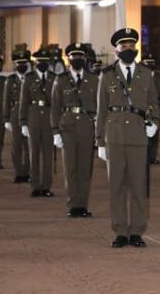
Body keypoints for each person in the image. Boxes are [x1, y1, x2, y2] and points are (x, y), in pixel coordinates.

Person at [96, 28, 160, 248]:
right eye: (124, 47)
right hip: (114, 136)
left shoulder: (146, 74)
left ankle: (137, 231)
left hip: (138, 135)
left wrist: (155, 122)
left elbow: (153, 101)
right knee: (116, 186)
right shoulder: (107, 76)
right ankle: (120, 231)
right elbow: (101, 110)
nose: (128, 50)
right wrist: (100, 142)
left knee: (138, 186)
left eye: (132, 46)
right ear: (117, 50)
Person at [50, 43, 99, 218]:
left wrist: (99, 131)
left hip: (87, 125)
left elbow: (99, 106)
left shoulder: (93, 79)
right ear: (68, 59)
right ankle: (73, 204)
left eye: (80, 56)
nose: (77, 59)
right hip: (67, 126)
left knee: (85, 168)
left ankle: (83, 204)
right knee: (70, 167)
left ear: (84, 58)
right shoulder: (61, 79)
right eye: (73, 56)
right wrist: (55, 131)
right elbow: (55, 107)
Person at [20, 49, 56, 197]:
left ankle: (46, 186)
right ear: (35, 63)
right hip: (33, 117)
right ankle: (35, 186)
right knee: (33, 153)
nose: (42, 64)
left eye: (45, 62)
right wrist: (22, 122)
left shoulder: (54, 78)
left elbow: (58, 102)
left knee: (48, 154)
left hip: (49, 118)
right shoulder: (29, 78)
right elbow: (23, 101)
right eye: (40, 61)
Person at [3, 50, 31, 183]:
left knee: (29, 145)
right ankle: (19, 172)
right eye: (19, 63)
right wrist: (6, 118)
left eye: (24, 63)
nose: (21, 66)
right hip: (15, 114)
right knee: (17, 144)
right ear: (15, 65)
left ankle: (28, 171)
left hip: (29, 114)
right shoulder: (10, 80)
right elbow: (6, 100)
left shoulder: (31, 78)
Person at [141, 54, 160, 165]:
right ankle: (143, 155)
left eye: (151, 62)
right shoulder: (139, 76)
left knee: (155, 131)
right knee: (142, 132)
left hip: (156, 106)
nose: (150, 65)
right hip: (143, 106)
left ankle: (152, 156)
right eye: (147, 62)